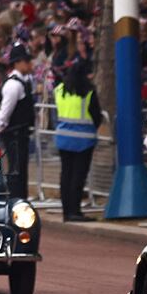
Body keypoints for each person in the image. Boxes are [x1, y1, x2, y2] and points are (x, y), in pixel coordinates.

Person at [51, 57, 104, 220]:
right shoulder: (88, 92)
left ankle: (66, 211)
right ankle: (75, 211)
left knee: (65, 175)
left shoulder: (59, 90)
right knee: (78, 177)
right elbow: (97, 117)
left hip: (63, 138)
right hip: (83, 141)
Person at [0, 45, 34, 199]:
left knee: (20, 168)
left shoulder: (23, 82)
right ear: (17, 63)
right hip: (14, 133)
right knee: (16, 169)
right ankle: (15, 199)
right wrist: (1, 126)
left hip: (20, 133)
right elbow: (5, 110)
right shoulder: (13, 85)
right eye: (26, 61)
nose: (29, 64)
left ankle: (20, 198)